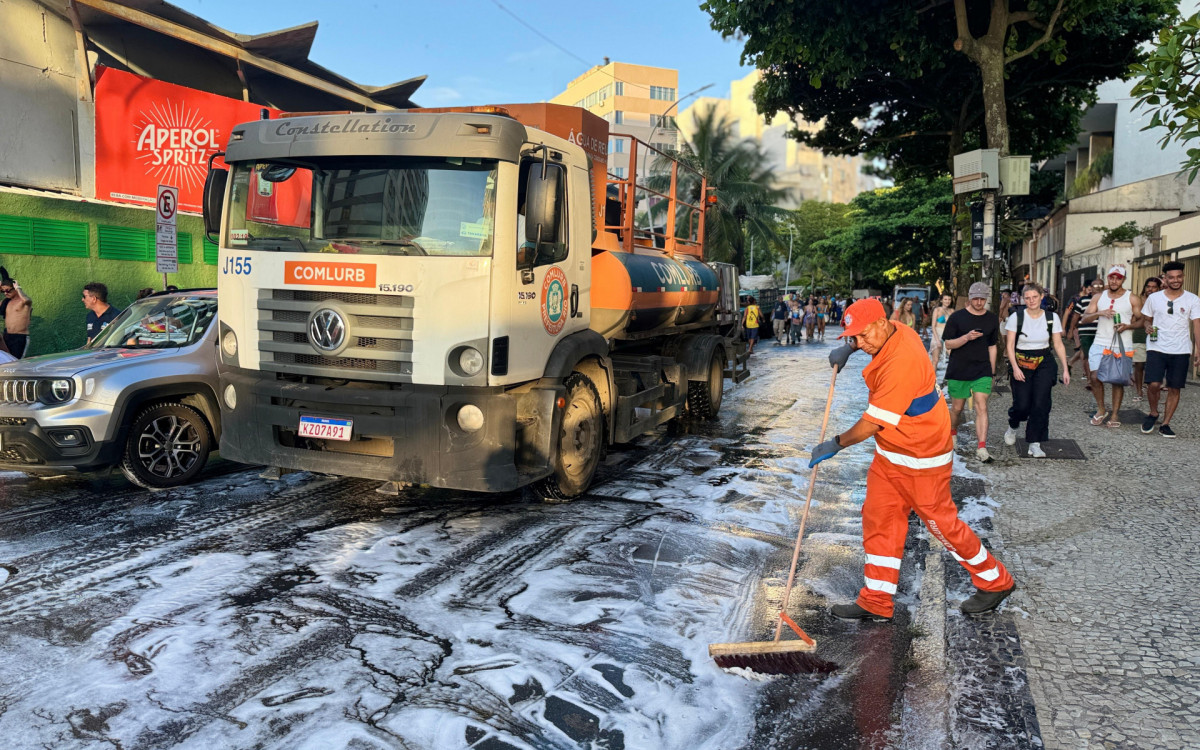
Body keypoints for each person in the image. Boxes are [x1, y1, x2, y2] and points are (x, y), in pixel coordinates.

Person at [811, 298, 1016, 621]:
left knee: (942, 525)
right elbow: (869, 340)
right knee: (879, 518)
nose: (861, 343)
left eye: (863, 336)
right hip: (891, 453)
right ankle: (876, 600)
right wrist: (849, 349)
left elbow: (873, 423)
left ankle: (996, 580)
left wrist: (835, 444)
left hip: (922, 457)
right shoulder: (897, 330)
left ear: (881, 324)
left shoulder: (900, 362)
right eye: (855, 337)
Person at [1004, 283, 1070, 458]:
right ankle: (1014, 424)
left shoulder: (1051, 317)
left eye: (1034, 297)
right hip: (1021, 360)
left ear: (1041, 296)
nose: (1031, 301)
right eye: (1027, 298)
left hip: (1044, 361)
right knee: (1022, 404)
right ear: (1022, 299)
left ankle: (1035, 442)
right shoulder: (1016, 317)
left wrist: (1065, 368)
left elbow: (1057, 344)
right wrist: (1015, 367)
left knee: (1041, 403)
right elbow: (1009, 346)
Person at [1140, 261, 1200, 438]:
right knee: (1154, 384)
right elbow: (1146, 319)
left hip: (1181, 349)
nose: (1176, 280)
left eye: (1179, 276)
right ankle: (1153, 412)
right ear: (1165, 278)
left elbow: (1197, 325)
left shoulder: (1193, 299)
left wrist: (1198, 350)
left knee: (1175, 387)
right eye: (1171, 277)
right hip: (1156, 346)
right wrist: (1147, 326)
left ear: (1183, 277)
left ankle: (1165, 423)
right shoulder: (1154, 298)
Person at [943, 283, 1000, 462]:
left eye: (982, 299)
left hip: (982, 368)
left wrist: (991, 372)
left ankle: (981, 448)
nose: (979, 302)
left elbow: (992, 346)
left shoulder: (991, 319)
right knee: (957, 408)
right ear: (969, 297)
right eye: (975, 298)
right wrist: (966, 337)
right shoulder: (957, 317)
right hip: (959, 368)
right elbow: (948, 344)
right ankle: (952, 433)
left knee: (981, 405)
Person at [1080, 265, 1142, 427]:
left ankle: (1115, 414)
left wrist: (1127, 326)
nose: (1114, 280)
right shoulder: (1098, 297)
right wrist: (1099, 313)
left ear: (1123, 279)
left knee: (1117, 381)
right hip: (1100, 342)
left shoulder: (1132, 298)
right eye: (1112, 277)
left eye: (1118, 278)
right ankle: (1101, 409)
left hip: (1122, 344)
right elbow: (1084, 318)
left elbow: (1143, 320)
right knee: (1094, 377)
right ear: (1108, 278)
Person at [1131, 277, 1162, 403]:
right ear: (1144, 288)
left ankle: (1153, 391)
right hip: (1139, 335)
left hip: (1157, 337)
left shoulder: (1162, 300)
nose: (1151, 289)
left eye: (1154, 287)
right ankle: (1139, 391)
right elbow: (1133, 319)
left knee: (1155, 366)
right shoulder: (1138, 300)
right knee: (1139, 365)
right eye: (1148, 286)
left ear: (1159, 288)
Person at [1067, 279, 1101, 388]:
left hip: (1101, 332)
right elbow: (1075, 316)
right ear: (1090, 287)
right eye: (1095, 285)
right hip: (1086, 332)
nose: (1098, 287)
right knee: (1086, 355)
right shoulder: (1083, 300)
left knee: (1098, 356)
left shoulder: (1106, 300)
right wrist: (1070, 330)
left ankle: (1096, 377)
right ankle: (1090, 380)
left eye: (1100, 285)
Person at [0, 275, 32, 358]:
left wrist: (18, 288)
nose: (5, 293)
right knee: (6, 362)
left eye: (7, 290)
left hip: (19, 337)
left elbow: (27, 300)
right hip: (6, 336)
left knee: (16, 362)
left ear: (14, 288)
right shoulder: (6, 302)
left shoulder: (23, 302)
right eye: (3, 291)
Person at [928, 293, 955, 368]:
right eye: (945, 299)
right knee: (935, 360)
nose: (947, 301)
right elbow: (933, 326)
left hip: (948, 336)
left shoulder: (952, 311)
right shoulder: (937, 310)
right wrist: (937, 340)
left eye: (949, 299)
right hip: (938, 334)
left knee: (953, 358)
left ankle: (947, 378)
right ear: (941, 300)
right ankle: (933, 379)